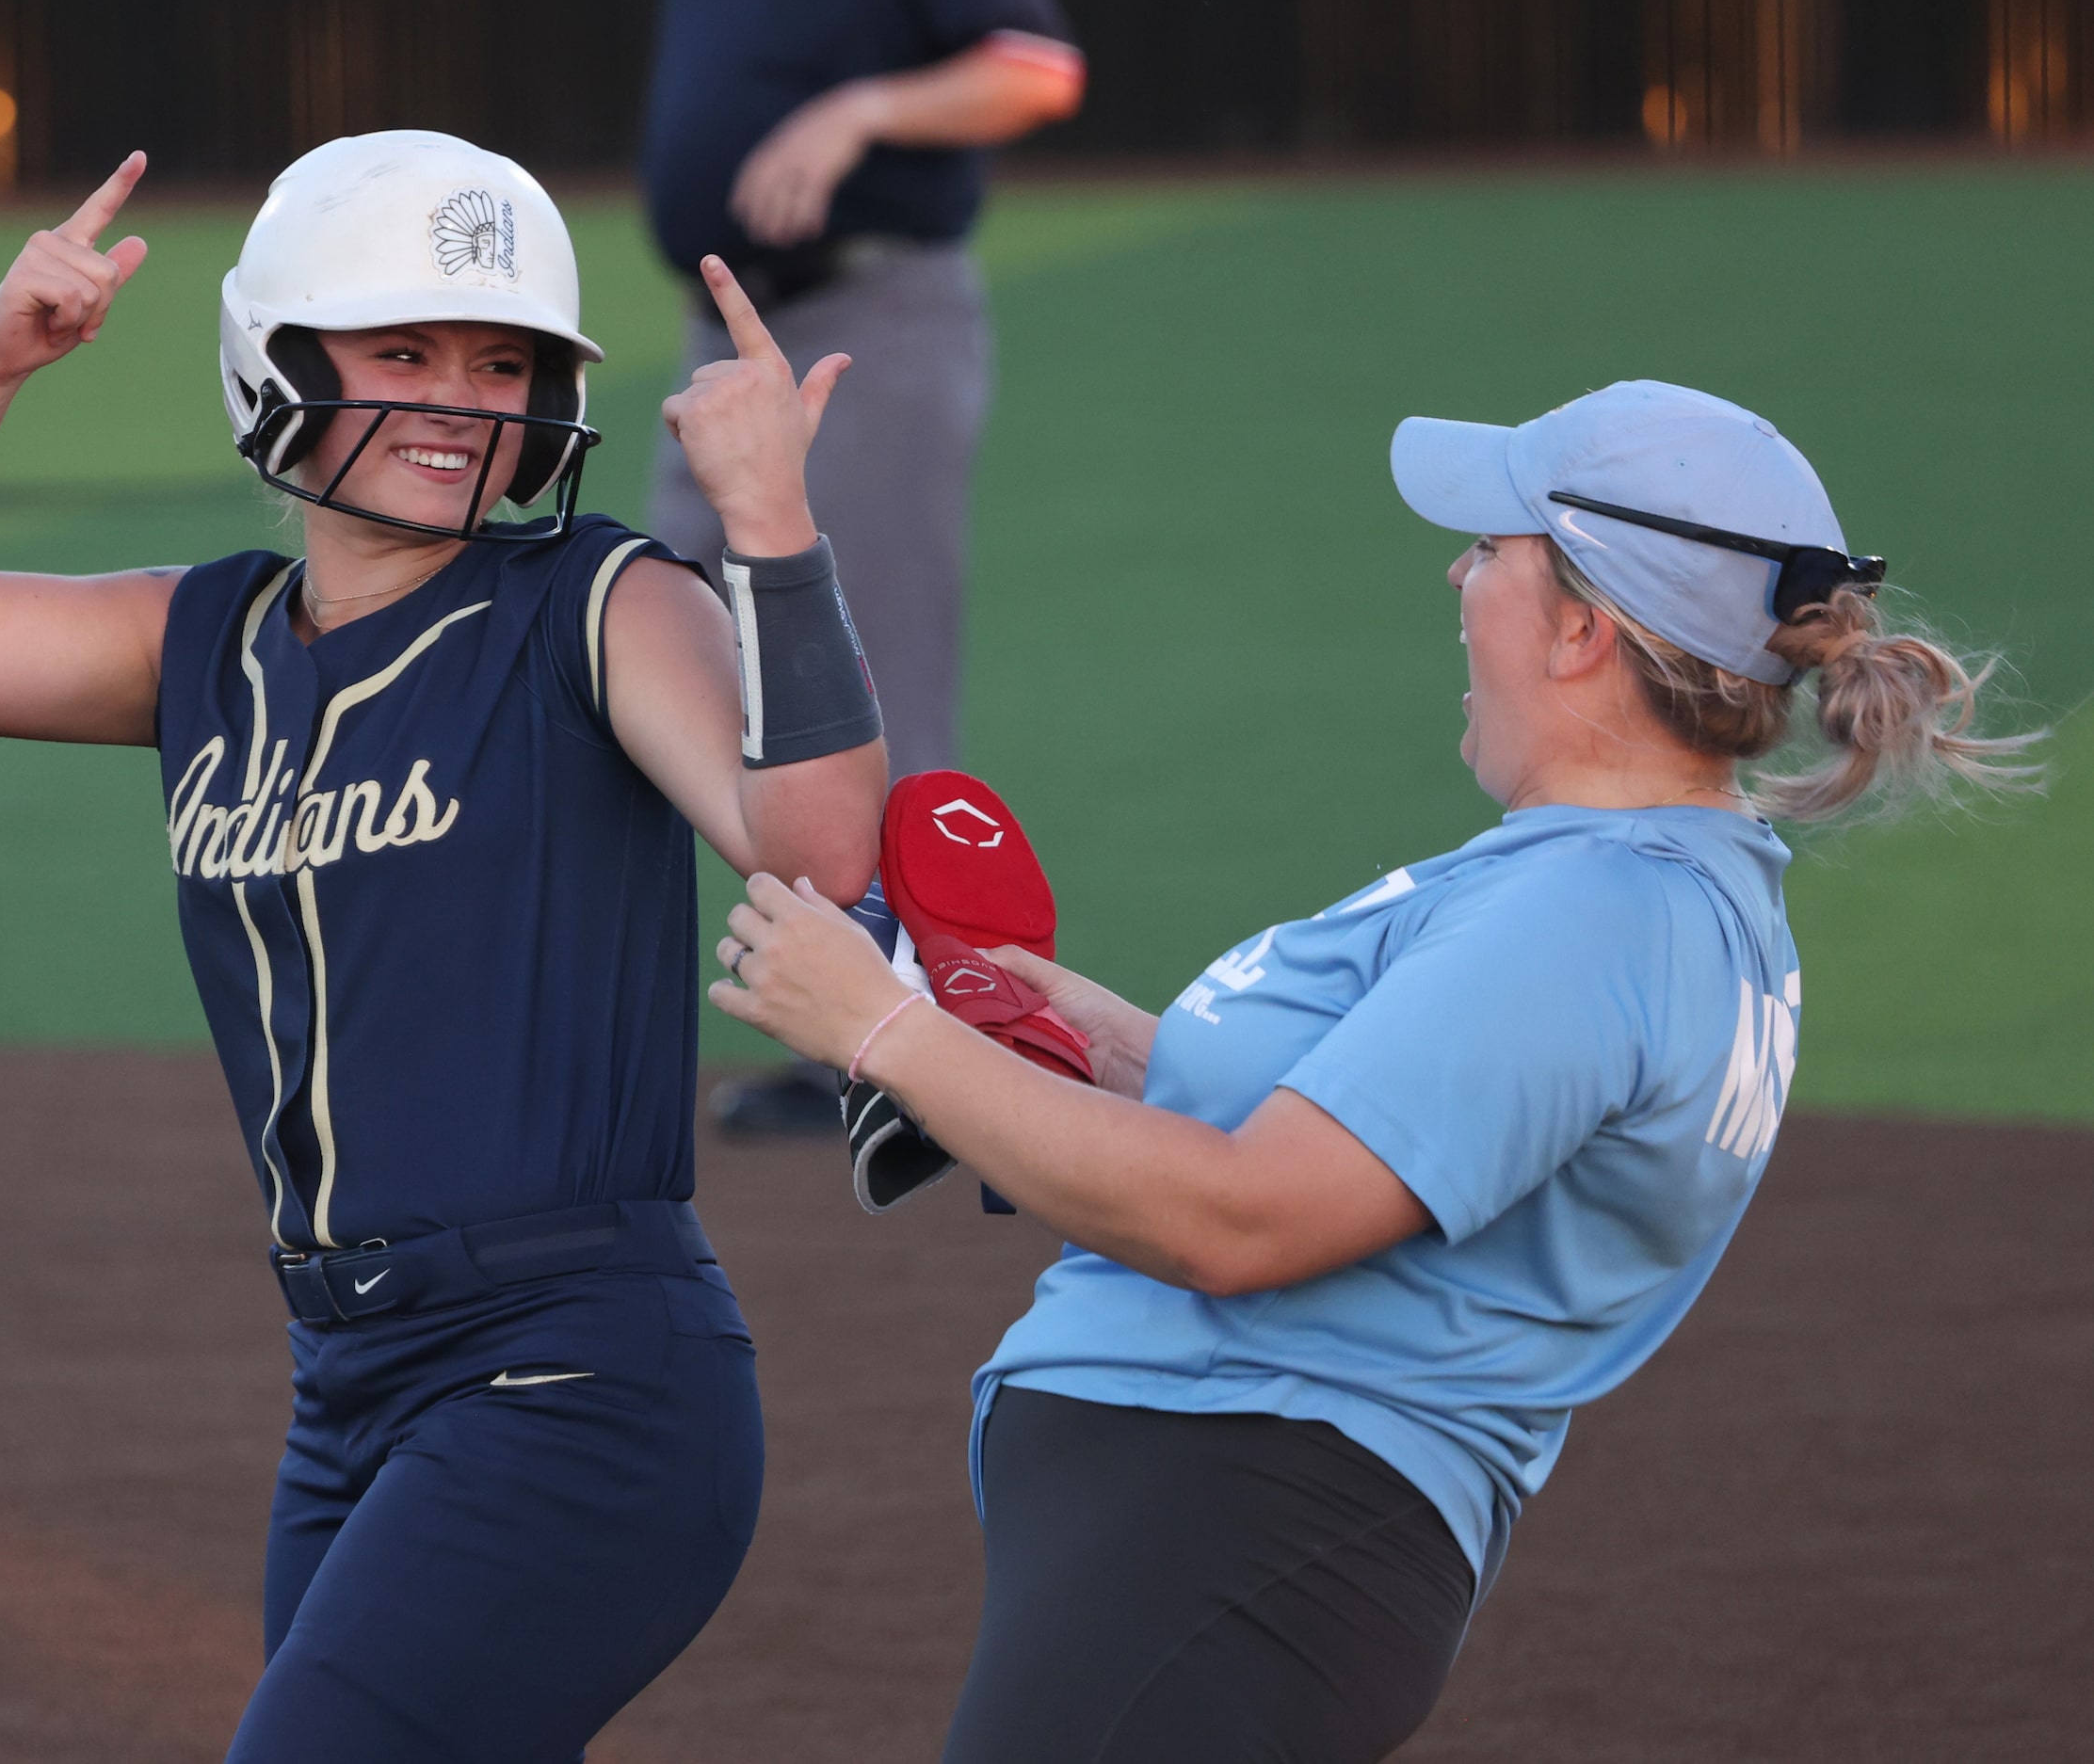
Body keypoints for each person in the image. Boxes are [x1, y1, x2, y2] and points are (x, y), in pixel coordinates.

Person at [705, 380, 2039, 1761]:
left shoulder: (1593, 916)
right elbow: (1377, 1138)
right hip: (1224, 1533)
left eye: (1492, 552)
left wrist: (882, 1029)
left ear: (1583, 628)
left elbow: (1245, 1217)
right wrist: (1088, 1039)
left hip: (1233, 1529)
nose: (1457, 574)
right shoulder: (1621, 887)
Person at [0, 132, 888, 1763]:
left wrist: (773, 527)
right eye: (403, 349)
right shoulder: (202, 635)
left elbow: (816, 853)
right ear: (279, 362)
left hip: (577, 1373)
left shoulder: (597, 598)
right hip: (350, 1389)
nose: (459, 396)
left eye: (504, 361)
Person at [640, 0, 1086, 1132]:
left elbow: (1037, 69)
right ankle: (795, 1018)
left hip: (866, 323)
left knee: (854, 684)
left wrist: (863, 109)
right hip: (728, 340)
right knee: (653, 653)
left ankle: (904, 1057)